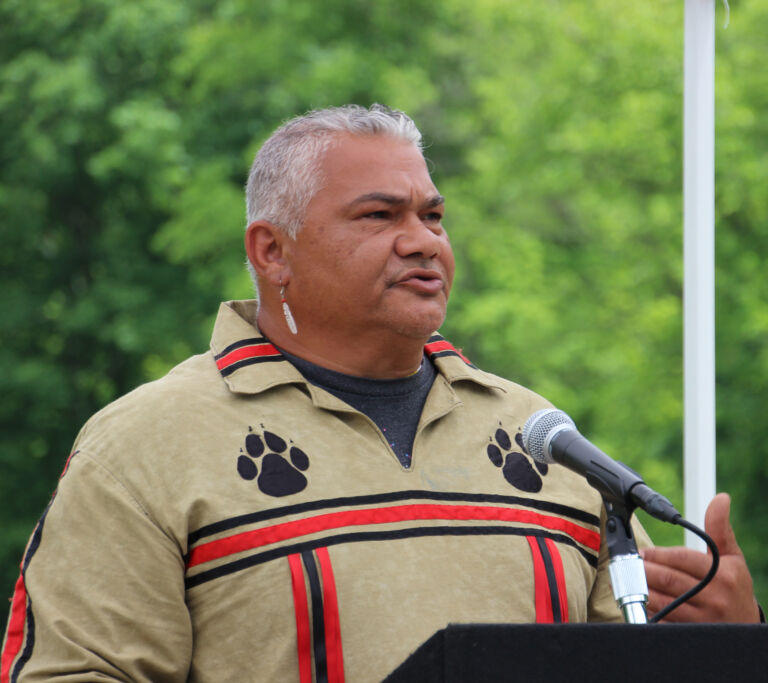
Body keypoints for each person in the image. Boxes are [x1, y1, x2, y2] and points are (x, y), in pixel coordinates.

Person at [1, 105, 760, 683]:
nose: (424, 240)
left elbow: (631, 666)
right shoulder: (145, 444)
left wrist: (728, 639)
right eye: (379, 215)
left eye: (433, 216)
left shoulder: (538, 434)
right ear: (272, 252)